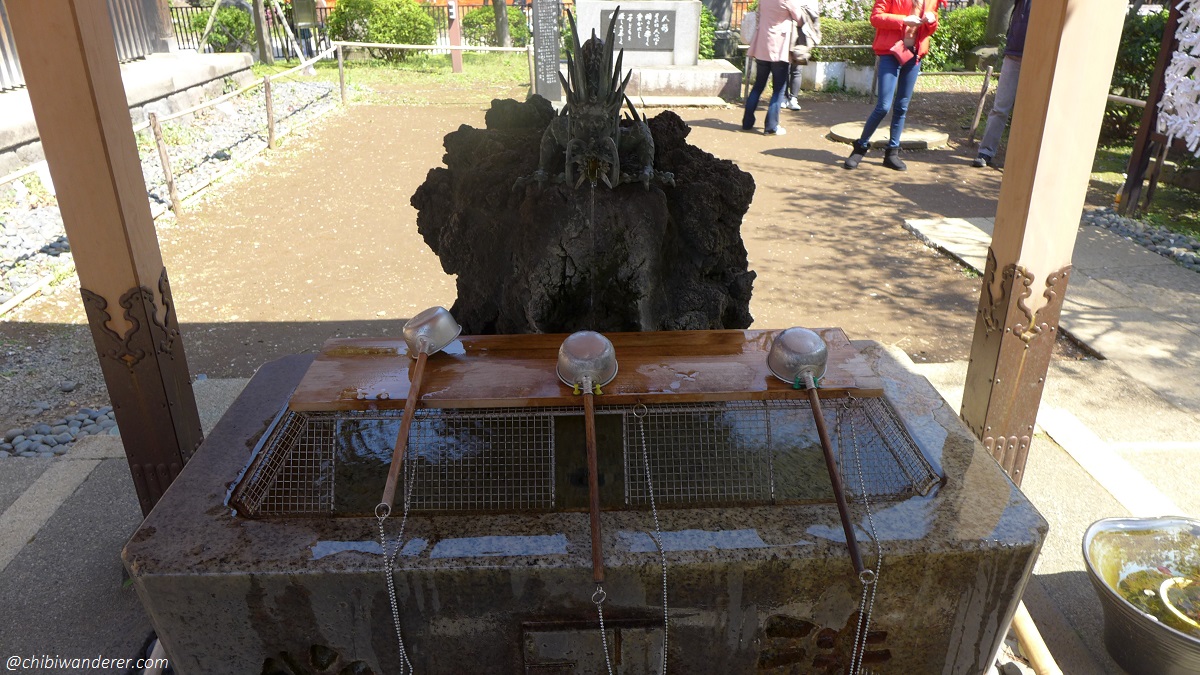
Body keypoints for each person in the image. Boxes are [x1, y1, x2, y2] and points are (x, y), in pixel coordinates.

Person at [843, 0, 940, 171]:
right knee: (883, 106)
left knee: (902, 106)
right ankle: (860, 146)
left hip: (914, 55)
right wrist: (904, 20)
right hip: (890, 52)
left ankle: (892, 153)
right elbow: (876, 18)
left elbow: (931, 29)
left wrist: (932, 20)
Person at [743, 0, 818, 135]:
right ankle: (771, 126)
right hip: (779, 47)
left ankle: (747, 122)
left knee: (758, 86)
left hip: (762, 45)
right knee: (778, 89)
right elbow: (800, 19)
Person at [973, 0, 1031, 168]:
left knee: (1031, 111)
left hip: (1039, 56)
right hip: (1014, 54)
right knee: (1000, 107)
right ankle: (986, 152)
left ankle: (1023, 158)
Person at [784, 5, 822, 111]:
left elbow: (812, 16)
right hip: (787, 35)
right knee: (784, 68)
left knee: (796, 69)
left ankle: (793, 98)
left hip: (800, 36)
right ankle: (784, 97)